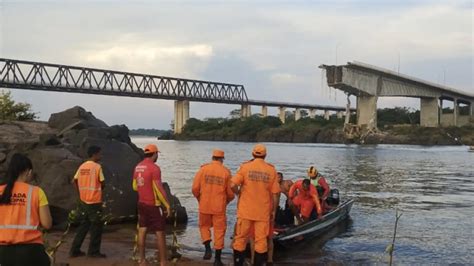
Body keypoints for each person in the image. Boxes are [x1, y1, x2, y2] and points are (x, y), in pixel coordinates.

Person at [231, 144, 280, 266]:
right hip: (262, 213)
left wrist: (239, 194)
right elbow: (275, 193)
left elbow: (232, 185)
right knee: (261, 241)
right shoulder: (271, 170)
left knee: (240, 239)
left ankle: (238, 264)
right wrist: (273, 211)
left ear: (253, 154)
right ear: (265, 155)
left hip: (245, 211)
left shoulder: (245, 167)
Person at [0, 153, 52, 266]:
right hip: (32, 252)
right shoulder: (36, 192)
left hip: (4, 253)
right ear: (28, 172)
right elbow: (47, 224)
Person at [192, 149, 234, 266]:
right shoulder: (226, 172)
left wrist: (200, 199)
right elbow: (230, 193)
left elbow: (195, 188)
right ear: (222, 159)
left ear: (212, 158)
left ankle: (207, 249)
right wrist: (227, 202)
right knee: (219, 231)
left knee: (204, 226)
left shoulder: (203, 170)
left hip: (204, 205)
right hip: (219, 207)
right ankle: (217, 260)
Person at [132, 144, 170, 266]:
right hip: (153, 205)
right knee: (160, 232)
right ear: (154, 154)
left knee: (142, 230)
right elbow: (159, 189)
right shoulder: (154, 168)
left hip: (141, 203)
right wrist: (167, 205)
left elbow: (134, 186)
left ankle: (142, 260)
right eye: (157, 154)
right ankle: (163, 262)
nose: (157, 156)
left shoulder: (137, 167)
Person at [70, 145, 106, 258]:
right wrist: (100, 188)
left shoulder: (82, 167)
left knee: (84, 225)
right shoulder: (97, 167)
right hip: (94, 201)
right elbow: (102, 182)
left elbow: (73, 181)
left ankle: (74, 249)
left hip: (84, 200)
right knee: (96, 226)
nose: (101, 155)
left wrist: (80, 194)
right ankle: (93, 252)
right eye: (100, 153)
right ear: (94, 154)